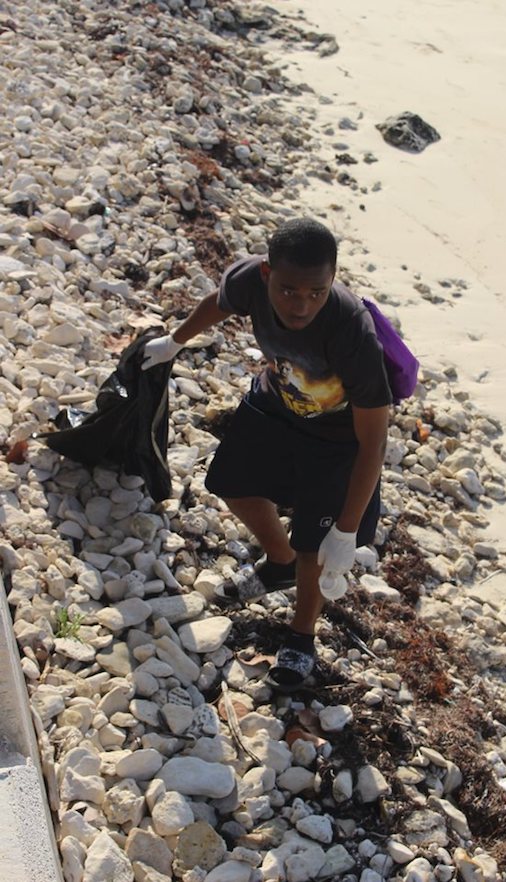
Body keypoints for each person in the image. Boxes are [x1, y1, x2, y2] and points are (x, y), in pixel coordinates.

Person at [142, 218, 392, 689]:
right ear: (266, 274)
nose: (301, 305)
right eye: (289, 290)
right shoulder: (247, 281)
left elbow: (374, 439)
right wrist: (175, 341)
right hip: (276, 403)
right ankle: (278, 563)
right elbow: (219, 303)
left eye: (316, 292)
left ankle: (300, 638)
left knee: (313, 547)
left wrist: (346, 527)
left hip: (339, 440)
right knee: (232, 484)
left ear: (332, 280)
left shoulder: (351, 333)